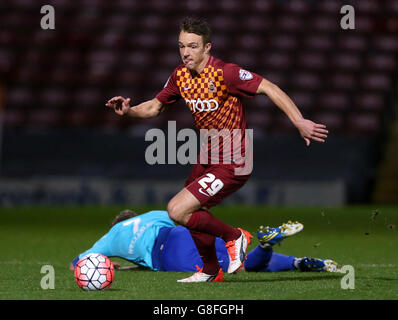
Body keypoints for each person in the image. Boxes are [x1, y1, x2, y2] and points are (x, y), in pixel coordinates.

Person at [105, 17, 329, 282]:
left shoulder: (226, 73)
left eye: (192, 46)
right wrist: (129, 111)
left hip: (234, 158)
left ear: (207, 47)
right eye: (181, 46)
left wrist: (298, 120)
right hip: (208, 157)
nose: (186, 52)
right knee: (189, 215)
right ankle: (210, 271)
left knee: (177, 210)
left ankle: (234, 237)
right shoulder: (180, 76)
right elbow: (155, 106)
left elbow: (270, 87)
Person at [71, 209, 339, 278]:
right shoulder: (149, 215)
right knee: (237, 256)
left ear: (117, 224)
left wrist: (110, 264)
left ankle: (268, 244)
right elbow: (182, 216)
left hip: (169, 254)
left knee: (240, 269)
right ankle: (298, 263)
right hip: (183, 235)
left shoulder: (110, 237)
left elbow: (79, 262)